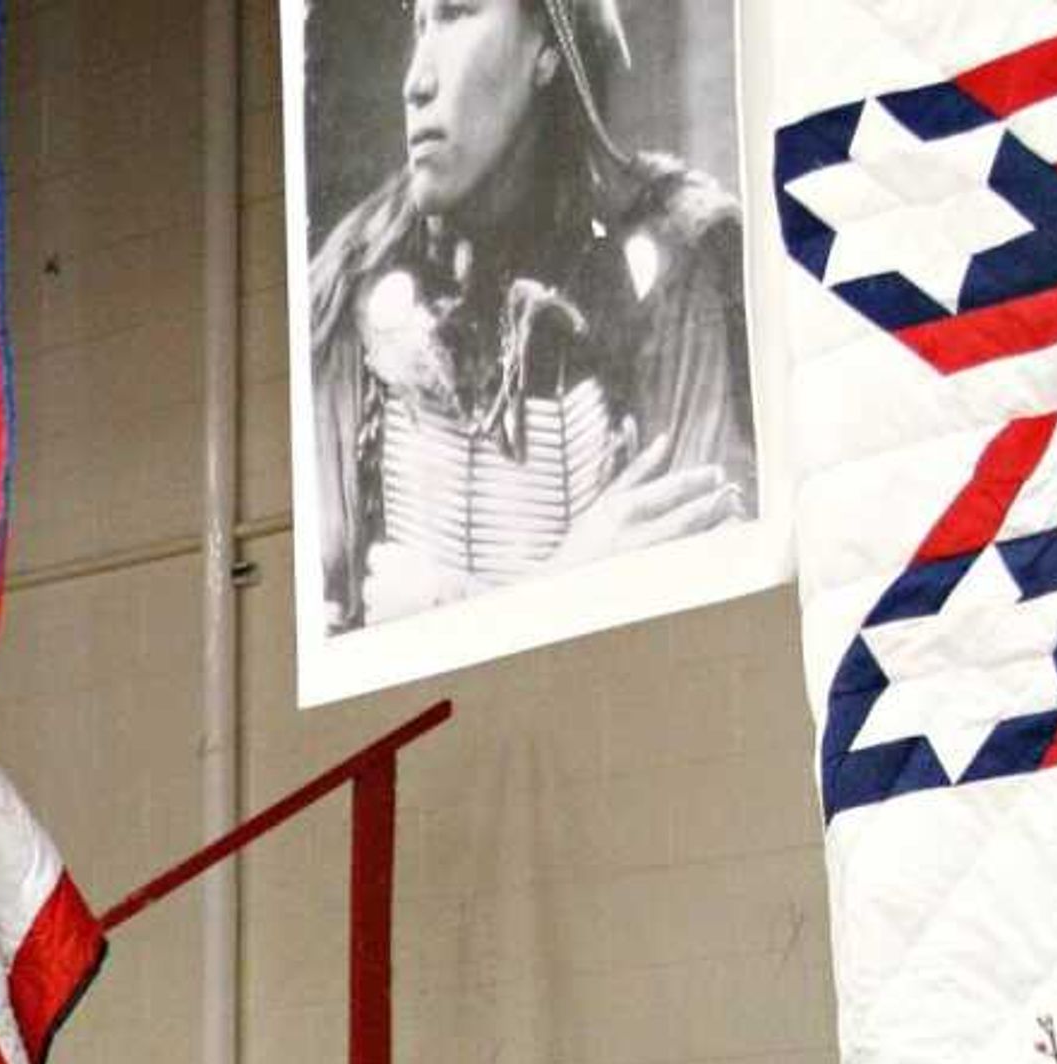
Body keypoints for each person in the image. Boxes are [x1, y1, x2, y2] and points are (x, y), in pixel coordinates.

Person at [303, 0, 752, 631]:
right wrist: (571, 580)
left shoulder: (684, 259)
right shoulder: (343, 290)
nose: (416, 81)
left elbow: (714, 575)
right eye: (419, 26)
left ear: (547, 46)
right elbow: (329, 622)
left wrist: (447, 602)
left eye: (457, 14)